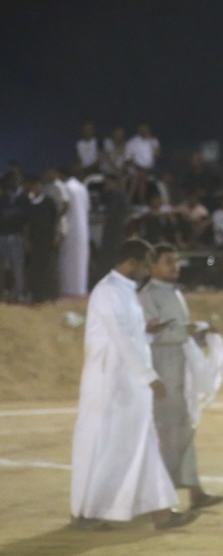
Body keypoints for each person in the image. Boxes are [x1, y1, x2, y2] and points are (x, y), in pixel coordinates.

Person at [69, 239, 196, 531]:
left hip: (128, 384)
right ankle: (85, 513)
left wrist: (148, 332)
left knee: (141, 445)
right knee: (104, 447)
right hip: (109, 383)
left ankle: (161, 514)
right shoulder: (108, 291)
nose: (147, 271)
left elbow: (131, 336)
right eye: (145, 265)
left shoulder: (125, 291)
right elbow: (120, 340)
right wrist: (149, 377)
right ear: (130, 263)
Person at [138, 244, 223, 511]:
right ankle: (161, 499)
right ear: (152, 266)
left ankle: (194, 490)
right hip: (161, 364)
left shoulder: (174, 292)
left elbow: (175, 331)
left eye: (176, 261)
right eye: (168, 262)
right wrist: (188, 331)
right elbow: (151, 334)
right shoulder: (146, 296)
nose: (174, 266)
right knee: (166, 429)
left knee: (184, 425)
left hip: (179, 364)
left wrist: (199, 334)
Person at [21, 174, 59, 302]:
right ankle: (36, 294)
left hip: (47, 239)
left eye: (39, 185)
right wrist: (26, 240)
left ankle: (49, 294)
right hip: (34, 240)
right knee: (34, 267)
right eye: (34, 185)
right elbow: (26, 224)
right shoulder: (29, 203)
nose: (37, 187)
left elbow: (55, 220)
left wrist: (56, 235)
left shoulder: (49, 202)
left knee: (48, 267)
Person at [58, 165, 90, 297]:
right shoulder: (82, 188)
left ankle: (69, 288)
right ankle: (79, 288)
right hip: (82, 227)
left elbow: (65, 208)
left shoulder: (66, 188)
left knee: (68, 260)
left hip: (70, 227)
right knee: (80, 260)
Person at [0, 173, 25, 301]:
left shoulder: (24, 198)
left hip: (17, 236)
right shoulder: (3, 198)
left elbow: (26, 219)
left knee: (17, 267)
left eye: (14, 180)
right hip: (2, 235)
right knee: (1, 267)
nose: (11, 183)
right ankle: (2, 293)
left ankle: (18, 293)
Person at [124, 124, 159, 204]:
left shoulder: (154, 141)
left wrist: (151, 142)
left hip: (151, 168)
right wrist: (137, 166)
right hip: (136, 168)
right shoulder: (132, 142)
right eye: (142, 129)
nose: (144, 131)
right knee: (138, 176)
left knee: (141, 175)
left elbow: (157, 155)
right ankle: (133, 201)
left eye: (146, 129)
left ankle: (139, 201)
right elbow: (128, 159)